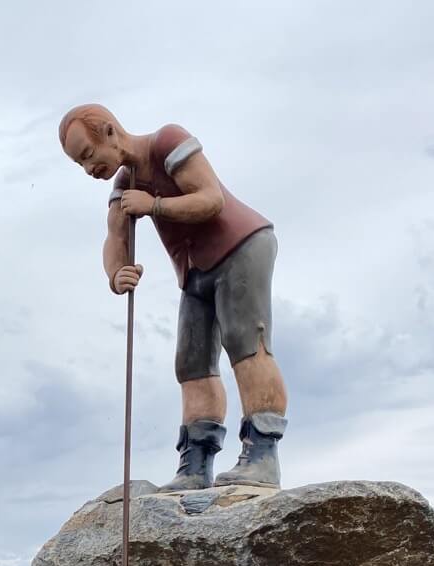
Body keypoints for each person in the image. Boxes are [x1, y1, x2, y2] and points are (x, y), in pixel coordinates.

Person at [58, 103, 290, 490]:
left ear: (110, 133)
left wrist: (155, 205)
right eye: (79, 164)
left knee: (246, 342)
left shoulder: (167, 142)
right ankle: (195, 464)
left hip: (241, 247)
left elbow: (210, 197)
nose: (88, 169)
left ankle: (262, 454)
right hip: (195, 271)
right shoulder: (123, 186)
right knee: (191, 363)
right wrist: (117, 274)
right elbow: (115, 238)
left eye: (87, 155)